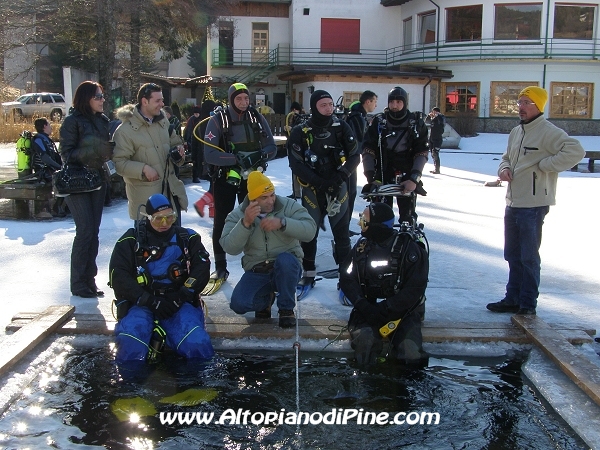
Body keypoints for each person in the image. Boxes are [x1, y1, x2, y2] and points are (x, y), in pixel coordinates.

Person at [486, 86, 585, 316]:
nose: (521, 107)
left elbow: (576, 151)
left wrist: (546, 166)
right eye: (519, 102)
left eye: (526, 102)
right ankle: (513, 298)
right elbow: (506, 157)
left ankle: (528, 304)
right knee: (512, 254)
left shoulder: (549, 131)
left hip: (533, 204)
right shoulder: (516, 132)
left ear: (538, 106)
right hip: (513, 201)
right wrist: (504, 168)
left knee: (528, 256)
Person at [109, 194, 214, 363]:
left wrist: (182, 295)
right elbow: (118, 277)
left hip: (179, 302)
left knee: (196, 344)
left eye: (170, 218)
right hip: (142, 303)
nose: (164, 224)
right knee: (130, 344)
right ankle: (129, 386)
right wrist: (148, 300)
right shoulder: (130, 241)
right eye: (158, 219)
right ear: (148, 217)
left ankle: (198, 384)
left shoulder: (188, 239)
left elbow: (201, 269)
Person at [220, 171, 317, 327]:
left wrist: (283, 223)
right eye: (264, 197)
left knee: (285, 261)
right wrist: (245, 224)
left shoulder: (288, 205)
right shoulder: (237, 215)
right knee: (238, 304)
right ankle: (265, 300)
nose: (271, 200)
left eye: (272, 195)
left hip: (287, 267)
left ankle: (286, 309)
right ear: (253, 199)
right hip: (257, 270)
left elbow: (310, 230)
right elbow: (229, 247)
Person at [203, 82, 277, 284]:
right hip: (226, 179)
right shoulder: (218, 121)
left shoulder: (256, 118)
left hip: (252, 180)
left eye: (246, 98)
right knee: (221, 222)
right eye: (239, 99)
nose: (244, 103)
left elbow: (272, 147)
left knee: (257, 218)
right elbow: (209, 154)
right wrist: (235, 159)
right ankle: (220, 267)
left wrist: (259, 155)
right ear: (230, 100)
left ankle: (259, 262)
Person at [287, 89, 359, 298]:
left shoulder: (341, 127)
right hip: (313, 189)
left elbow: (355, 155)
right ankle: (308, 275)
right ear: (314, 108)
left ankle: (346, 280)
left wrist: (340, 176)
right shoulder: (301, 131)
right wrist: (318, 181)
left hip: (338, 188)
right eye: (323, 105)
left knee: (342, 235)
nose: (329, 109)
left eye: (330, 104)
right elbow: (295, 163)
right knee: (309, 234)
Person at [339, 202, 428, 366]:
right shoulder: (361, 247)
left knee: (411, 353)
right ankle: (365, 386)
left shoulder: (410, 250)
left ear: (377, 226)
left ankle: (407, 387)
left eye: (364, 221)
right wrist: (362, 304)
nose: (360, 224)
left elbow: (415, 289)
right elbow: (346, 278)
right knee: (364, 344)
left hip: (402, 312)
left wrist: (387, 308)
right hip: (367, 308)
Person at [59, 80, 112, 298]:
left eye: (102, 96)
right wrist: (92, 152)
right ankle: (78, 282)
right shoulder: (72, 121)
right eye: (97, 96)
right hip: (77, 183)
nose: (102, 100)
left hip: (97, 181)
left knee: (94, 232)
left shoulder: (103, 121)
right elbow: (66, 154)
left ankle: (89, 279)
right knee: (85, 231)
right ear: (86, 98)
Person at [112, 83, 187, 225]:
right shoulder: (125, 131)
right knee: (148, 246)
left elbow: (174, 141)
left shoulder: (163, 121)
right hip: (146, 204)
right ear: (144, 102)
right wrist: (143, 169)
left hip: (170, 197)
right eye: (157, 101)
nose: (162, 104)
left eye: (162, 100)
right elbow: (119, 163)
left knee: (174, 244)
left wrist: (179, 150)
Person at [362, 86, 429, 224]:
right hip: (382, 175)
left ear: (405, 103)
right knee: (380, 219)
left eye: (399, 102)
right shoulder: (379, 122)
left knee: (407, 220)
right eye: (392, 102)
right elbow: (368, 150)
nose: (395, 105)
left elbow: (421, 152)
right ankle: (380, 244)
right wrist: (370, 177)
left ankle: (407, 244)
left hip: (407, 175)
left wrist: (414, 179)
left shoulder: (415, 123)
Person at [346, 90, 378, 218]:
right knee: (349, 193)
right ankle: (343, 230)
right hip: (349, 159)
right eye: (375, 102)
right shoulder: (357, 117)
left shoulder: (357, 115)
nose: (376, 105)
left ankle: (344, 229)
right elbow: (360, 140)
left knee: (350, 193)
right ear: (368, 101)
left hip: (350, 158)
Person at [285, 101, 306, 199]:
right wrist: (287, 129)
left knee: (301, 171)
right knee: (294, 170)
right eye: (292, 110)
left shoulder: (302, 119)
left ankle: (304, 192)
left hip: (299, 149)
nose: (294, 112)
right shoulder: (292, 119)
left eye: (295, 109)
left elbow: (300, 130)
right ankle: (296, 192)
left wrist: (291, 128)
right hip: (292, 147)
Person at [184, 105, 203, 182]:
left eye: (197, 114)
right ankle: (195, 176)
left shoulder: (202, 119)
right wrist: (186, 140)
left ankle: (199, 174)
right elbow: (188, 130)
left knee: (199, 159)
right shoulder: (191, 120)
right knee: (194, 159)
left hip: (200, 141)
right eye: (194, 114)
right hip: (193, 141)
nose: (196, 115)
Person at [427, 107, 445, 174]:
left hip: (437, 139)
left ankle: (437, 169)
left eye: (435, 112)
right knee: (432, 154)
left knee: (435, 153)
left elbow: (442, 122)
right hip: (431, 139)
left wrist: (438, 115)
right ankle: (435, 168)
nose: (433, 113)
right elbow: (426, 123)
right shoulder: (433, 119)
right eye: (433, 112)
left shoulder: (440, 118)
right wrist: (429, 116)